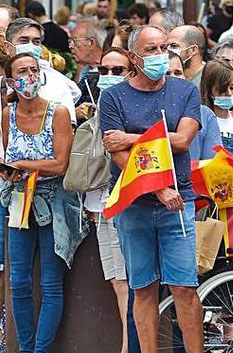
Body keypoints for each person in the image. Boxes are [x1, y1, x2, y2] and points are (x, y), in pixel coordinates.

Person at [99, 25, 204, 352]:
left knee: (184, 289)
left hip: (180, 201)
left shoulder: (185, 91)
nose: (160, 56)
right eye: (152, 50)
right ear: (133, 57)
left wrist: (132, 136)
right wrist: (159, 188)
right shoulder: (113, 96)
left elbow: (183, 141)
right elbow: (119, 158)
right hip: (135, 204)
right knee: (142, 289)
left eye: (164, 49)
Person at [0, 52, 85, 353]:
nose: (30, 76)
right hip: (19, 201)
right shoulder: (8, 114)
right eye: (23, 72)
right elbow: (6, 156)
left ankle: (40, 350)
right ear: (12, 82)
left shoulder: (59, 113)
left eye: (34, 69)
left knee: (51, 284)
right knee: (18, 282)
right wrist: (7, 169)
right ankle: (25, 348)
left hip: (53, 202)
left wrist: (23, 165)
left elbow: (60, 165)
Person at [84, 48, 134, 353]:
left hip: (126, 201)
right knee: (116, 280)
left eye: (117, 70)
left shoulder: (132, 105)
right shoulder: (100, 104)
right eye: (104, 70)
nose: (109, 76)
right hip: (100, 203)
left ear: (131, 72)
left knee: (128, 281)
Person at [6, 18, 78, 120]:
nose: (30, 46)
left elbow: (67, 127)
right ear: (7, 47)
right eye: (24, 41)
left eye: (36, 42)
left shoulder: (57, 83)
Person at [164, 52, 220, 162]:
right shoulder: (146, 110)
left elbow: (213, 162)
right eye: (167, 73)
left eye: (178, 73)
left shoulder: (205, 114)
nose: (173, 78)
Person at [69, 18, 106, 122]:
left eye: (75, 41)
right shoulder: (85, 70)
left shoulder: (109, 74)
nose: (70, 46)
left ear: (91, 42)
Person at [200, 60, 233, 154]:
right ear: (209, 89)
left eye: (232, 87)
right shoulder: (201, 121)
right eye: (222, 89)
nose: (229, 93)